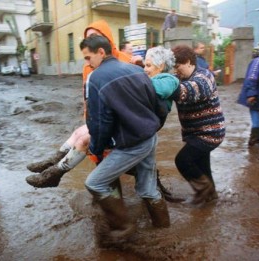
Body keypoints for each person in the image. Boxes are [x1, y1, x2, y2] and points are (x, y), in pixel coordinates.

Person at [25, 21, 172, 199]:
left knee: (96, 160)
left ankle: (55, 173)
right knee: (80, 136)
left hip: (120, 124)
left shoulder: (124, 62)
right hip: (110, 121)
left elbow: (141, 97)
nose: (90, 40)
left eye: (95, 36)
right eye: (88, 37)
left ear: (106, 39)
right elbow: (89, 97)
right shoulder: (89, 65)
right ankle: (53, 164)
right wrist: (90, 120)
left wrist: (99, 132)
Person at [82, 35, 170, 240]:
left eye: (88, 58)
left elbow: (100, 121)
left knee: (95, 182)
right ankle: (164, 230)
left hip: (131, 144)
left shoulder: (95, 78)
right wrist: (153, 127)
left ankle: (124, 228)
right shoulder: (137, 70)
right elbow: (159, 107)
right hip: (149, 138)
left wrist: (96, 148)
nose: (87, 63)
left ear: (101, 52)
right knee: (148, 188)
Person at [170, 45, 225, 207]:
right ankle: (212, 196)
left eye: (177, 66)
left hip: (210, 132)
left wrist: (166, 86)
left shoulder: (204, 76)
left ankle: (203, 190)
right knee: (202, 166)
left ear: (188, 62)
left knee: (183, 160)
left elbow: (189, 92)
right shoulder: (180, 78)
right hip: (194, 133)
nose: (176, 70)